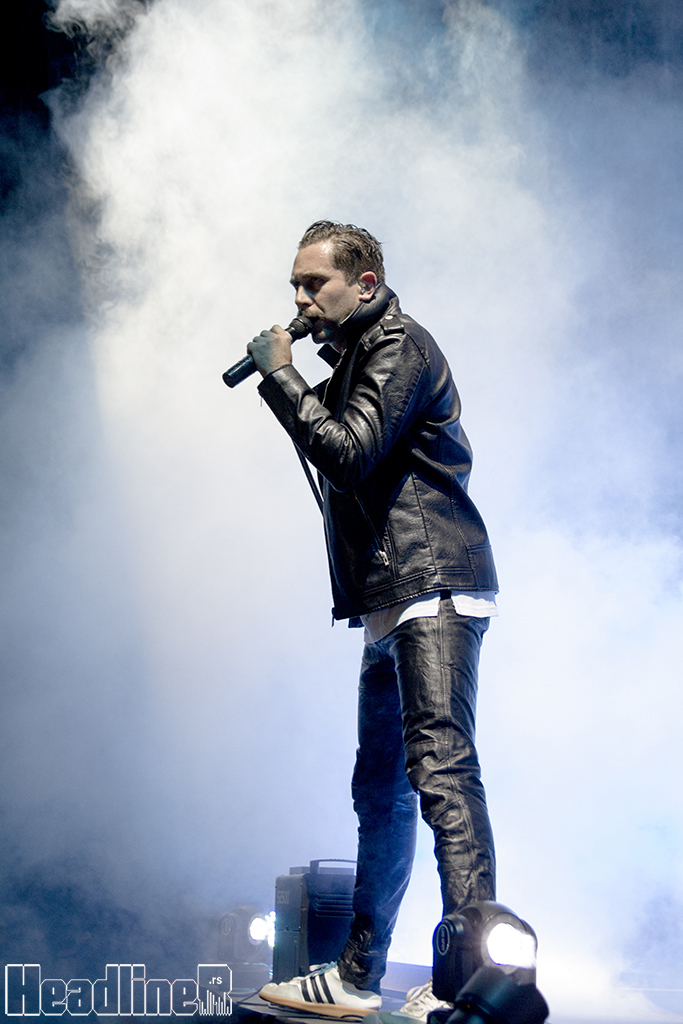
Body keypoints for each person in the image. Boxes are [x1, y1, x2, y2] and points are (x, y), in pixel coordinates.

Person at [247, 221, 498, 1020]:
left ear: (363, 283)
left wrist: (281, 375)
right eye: (293, 286)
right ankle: (359, 973)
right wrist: (301, 376)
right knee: (379, 794)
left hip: (433, 589)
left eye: (312, 284)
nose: (298, 300)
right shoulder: (356, 358)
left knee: (441, 776)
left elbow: (347, 452)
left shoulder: (400, 345)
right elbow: (335, 444)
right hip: (389, 602)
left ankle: (469, 984)